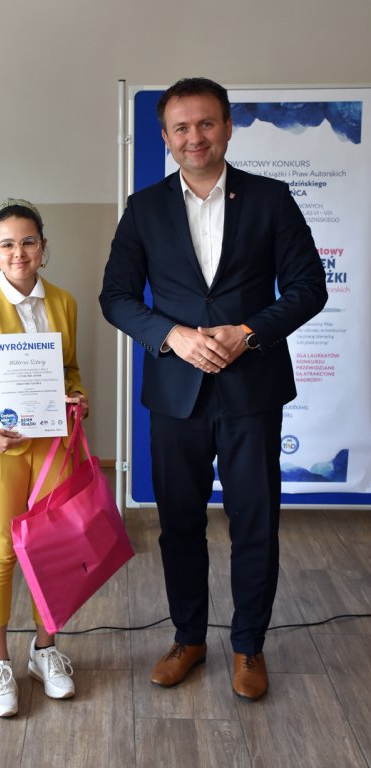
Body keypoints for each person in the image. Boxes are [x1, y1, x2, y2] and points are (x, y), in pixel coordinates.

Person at [99, 78, 327, 701]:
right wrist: (170, 336)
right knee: (179, 524)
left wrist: (248, 333)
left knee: (255, 522)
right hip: (176, 395)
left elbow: (309, 287)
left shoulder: (271, 199)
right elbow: (116, 297)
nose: (194, 137)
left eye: (206, 123)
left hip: (253, 391)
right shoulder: (144, 207)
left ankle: (249, 645)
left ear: (227, 127)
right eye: (181, 127)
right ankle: (189, 638)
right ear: (165, 137)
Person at [0, 198, 89, 717]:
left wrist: (79, 397)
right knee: (2, 548)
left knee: (53, 545)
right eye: (7, 244)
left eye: (28, 242)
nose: (18, 252)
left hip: (53, 443)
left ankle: (44, 650)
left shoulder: (65, 303)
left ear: (43, 247)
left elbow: (70, 370)